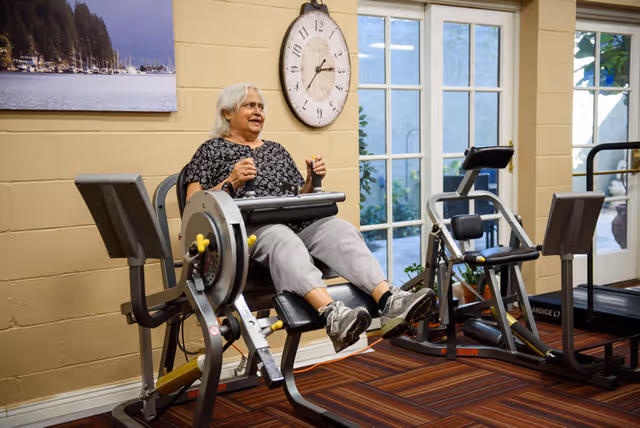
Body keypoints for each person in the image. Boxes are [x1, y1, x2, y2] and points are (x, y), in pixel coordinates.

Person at [184, 83, 435, 353]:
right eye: (249, 106)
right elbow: (193, 205)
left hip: (299, 224)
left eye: (261, 106)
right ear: (227, 113)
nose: (258, 111)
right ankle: (333, 315)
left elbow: (297, 195)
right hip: (249, 231)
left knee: (341, 230)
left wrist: (312, 180)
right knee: (282, 237)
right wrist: (230, 182)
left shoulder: (276, 150)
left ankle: (389, 301)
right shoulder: (210, 151)